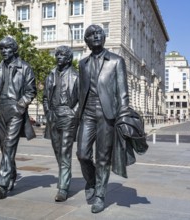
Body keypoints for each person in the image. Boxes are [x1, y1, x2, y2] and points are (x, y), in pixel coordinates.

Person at [76, 24, 130, 213]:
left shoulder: (116, 61)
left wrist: (123, 116)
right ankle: (91, 181)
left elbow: (123, 92)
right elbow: (80, 90)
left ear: (104, 37)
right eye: (91, 34)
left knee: (102, 157)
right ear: (87, 41)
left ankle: (100, 194)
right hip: (87, 113)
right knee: (82, 154)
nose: (96, 35)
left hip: (108, 114)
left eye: (99, 33)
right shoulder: (82, 64)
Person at [0, 36, 37, 199]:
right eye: (1, 48)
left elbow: (31, 90)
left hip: (15, 109)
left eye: (7, 48)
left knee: (9, 145)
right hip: (0, 110)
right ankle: (11, 175)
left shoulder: (24, 67)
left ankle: (2, 184)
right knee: (5, 148)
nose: (4, 51)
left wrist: (21, 105)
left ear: (14, 49)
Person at [43, 46, 79, 202]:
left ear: (69, 58)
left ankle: (63, 187)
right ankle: (65, 175)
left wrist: (73, 113)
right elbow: (45, 97)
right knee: (58, 151)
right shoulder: (50, 75)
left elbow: (81, 99)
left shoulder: (76, 76)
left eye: (62, 55)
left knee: (65, 152)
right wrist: (47, 112)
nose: (58, 57)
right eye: (57, 54)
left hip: (68, 116)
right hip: (53, 115)